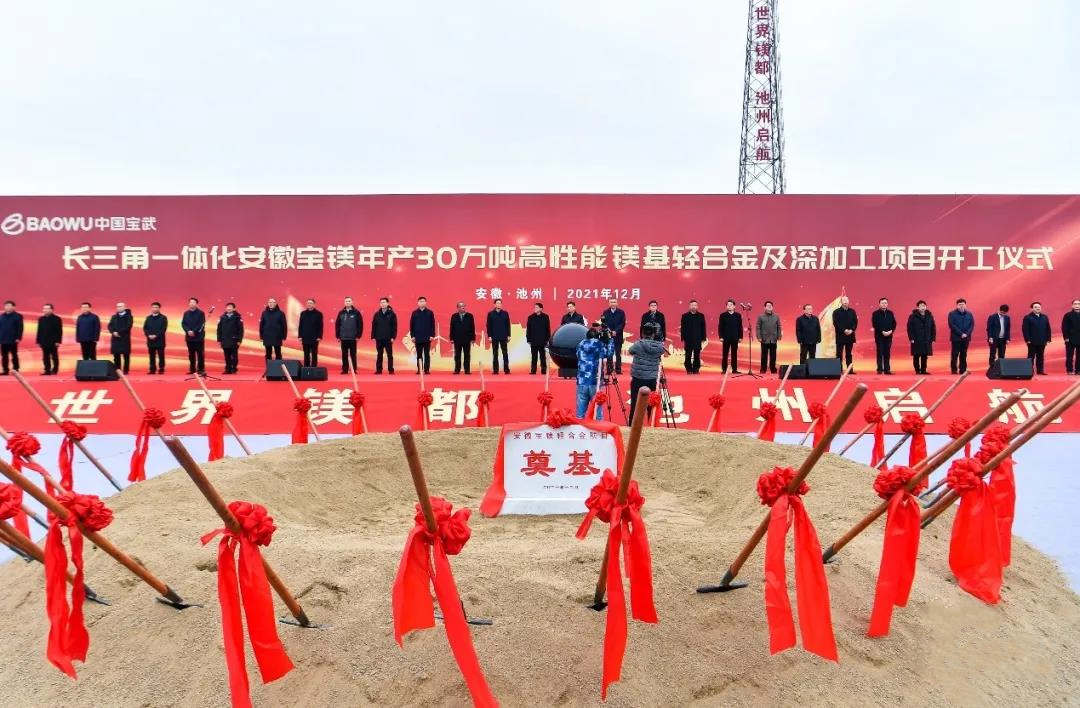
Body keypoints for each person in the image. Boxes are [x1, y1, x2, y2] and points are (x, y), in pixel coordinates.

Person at [575, 322, 614, 419]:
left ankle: (579, 425)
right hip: (595, 381)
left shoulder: (581, 344)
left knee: (580, 411)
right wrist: (610, 339)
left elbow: (577, 354)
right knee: (598, 410)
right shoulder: (599, 344)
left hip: (581, 380)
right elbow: (609, 353)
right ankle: (598, 426)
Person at [628, 322, 666, 424]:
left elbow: (630, 351)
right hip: (652, 379)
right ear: (654, 334)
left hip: (638, 378)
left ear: (643, 333)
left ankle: (631, 425)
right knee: (651, 403)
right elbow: (664, 352)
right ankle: (651, 424)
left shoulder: (638, 344)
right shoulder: (659, 347)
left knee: (635, 403)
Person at [1022, 301, 1052, 375]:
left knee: (1040, 356)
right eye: (1035, 307)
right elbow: (1025, 329)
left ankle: (1040, 370)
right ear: (1031, 309)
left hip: (1042, 340)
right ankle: (1029, 371)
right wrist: (1027, 339)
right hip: (1032, 341)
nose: (1037, 308)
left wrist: (1048, 339)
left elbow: (1048, 328)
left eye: (1039, 307)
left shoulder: (1044, 317)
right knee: (1031, 356)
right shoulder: (1027, 317)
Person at [907, 300, 936, 374]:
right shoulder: (912, 316)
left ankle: (923, 370)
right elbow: (909, 328)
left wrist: (933, 338)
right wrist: (911, 338)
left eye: (924, 306)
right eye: (921, 306)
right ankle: (917, 370)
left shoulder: (929, 316)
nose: (923, 307)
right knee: (916, 355)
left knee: (924, 355)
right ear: (917, 307)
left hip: (927, 339)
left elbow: (933, 327)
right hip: (916, 339)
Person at [335, 297, 363, 374]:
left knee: (353, 354)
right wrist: (338, 336)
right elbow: (337, 324)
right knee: (344, 354)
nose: (347, 302)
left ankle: (354, 369)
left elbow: (360, 325)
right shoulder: (341, 312)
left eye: (349, 301)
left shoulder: (356, 312)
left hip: (353, 338)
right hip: (343, 337)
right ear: (344, 303)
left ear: (352, 302)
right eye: (346, 301)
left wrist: (358, 336)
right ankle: (345, 369)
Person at [947, 298, 974, 375]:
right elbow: (952, 325)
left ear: (965, 305)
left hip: (966, 338)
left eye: (963, 304)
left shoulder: (969, 314)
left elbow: (972, 325)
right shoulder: (952, 314)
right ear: (957, 305)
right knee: (955, 354)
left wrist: (967, 334)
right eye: (960, 304)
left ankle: (963, 369)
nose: (961, 306)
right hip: (956, 338)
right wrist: (961, 334)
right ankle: (954, 370)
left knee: (964, 354)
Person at [409, 296, 436, 375]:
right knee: (419, 355)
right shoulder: (414, 313)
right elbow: (411, 325)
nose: (422, 302)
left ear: (426, 302)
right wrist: (412, 336)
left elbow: (432, 325)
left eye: (423, 301)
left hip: (427, 337)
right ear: (418, 303)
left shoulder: (430, 312)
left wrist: (432, 335)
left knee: (427, 354)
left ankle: (427, 369)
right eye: (420, 301)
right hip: (417, 337)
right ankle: (420, 369)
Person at [600, 298, 627, 374]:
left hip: (618, 335)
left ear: (617, 303)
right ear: (609, 303)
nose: (613, 303)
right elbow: (604, 323)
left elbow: (622, 323)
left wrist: (616, 331)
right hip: (609, 336)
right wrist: (610, 331)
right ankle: (610, 369)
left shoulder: (621, 312)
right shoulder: (605, 312)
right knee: (609, 353)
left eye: (614, 302)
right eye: (611, 302)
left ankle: (618, 369)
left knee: (618, 353)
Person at [871, 297, 897, 375]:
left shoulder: (890, 313)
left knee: (887, 353)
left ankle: (887, 369)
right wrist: (882, 331)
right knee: (880, 352)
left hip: (889, 336)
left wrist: (891, 331)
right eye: (882, 303)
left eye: (885, 303)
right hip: (879, 336)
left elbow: (894, 323)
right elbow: (875, 324)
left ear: (887, 304)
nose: (884, 304)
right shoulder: (875, 313)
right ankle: (879, 369)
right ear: (879, 304)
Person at [679, 300, 706, 374]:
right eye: (692, 305)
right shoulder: (685, 316)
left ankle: (696, 369)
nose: (693, 306)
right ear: (689, 306)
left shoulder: (701, 316)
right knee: (688, 354)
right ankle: (689, 369)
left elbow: (703, 327)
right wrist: (683, 337)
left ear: (697, 306)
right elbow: (683, 328)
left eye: (695, 305)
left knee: (697, 354)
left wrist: (703, 338)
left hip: (698, 338)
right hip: (688, 338)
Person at [216, 302, 244, 374]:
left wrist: (239, 340)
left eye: (230, 307)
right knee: (226, 355)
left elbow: (241, 330)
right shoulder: (222, 317)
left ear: (234, 309)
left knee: (234, 355)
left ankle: (234, 368)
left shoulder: (237, 317)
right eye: (227, 307)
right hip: (224, 339)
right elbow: (219, 329)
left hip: (234, 339)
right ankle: (227, 369)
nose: (228, 308)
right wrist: (219, 339)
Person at [371, 297, 397, 374]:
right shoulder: (377, 314)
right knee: (379, 354)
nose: (382, 304)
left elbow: (394, 326)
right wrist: (373, 336)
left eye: (384, 302)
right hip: (379, 337)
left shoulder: (392, 314)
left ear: (387, 303)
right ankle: (379, 370)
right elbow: (374, 325)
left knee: (389, 355)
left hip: (388, 338)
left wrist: (393, 337)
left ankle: (391, 370)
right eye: (381, 302)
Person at [449, 301, 476, 375]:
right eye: (460, 306)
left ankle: (467, 370)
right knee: (457, 355)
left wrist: (473, 338)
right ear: (457, 308)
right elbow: (452, 328)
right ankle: (457, 370)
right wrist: (451, 338)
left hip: (467, 338)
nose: (462, 307)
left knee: (467, 355)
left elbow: (472, 327)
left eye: (463, 306)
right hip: (457, 338)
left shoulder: (470, 316)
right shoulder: (454, 316)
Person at [831, 296, 858, 369]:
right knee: (839, 353)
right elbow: (836, 323)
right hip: (840, 336)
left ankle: (850, 369)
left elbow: (855, 322)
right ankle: (838, 369)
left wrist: (851, 330)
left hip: (850, 335)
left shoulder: (852, 311)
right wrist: (844, 330)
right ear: (841, 302)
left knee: (849, 353)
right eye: (844, 300)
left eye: (847, 300)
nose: (845, 301)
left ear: (849, 301)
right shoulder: (836, 312)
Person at [182, 297, 207, 375]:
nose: (192, 304)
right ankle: (192, 369)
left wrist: (194, 331)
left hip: (198, 337)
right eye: (190, 302)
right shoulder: (186, 313)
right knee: (191, 354)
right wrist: (188, 331)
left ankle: (201, 369)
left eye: (193, 302)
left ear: (196, 304)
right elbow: (183, 323)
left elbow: (201, 324)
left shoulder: (201, 313)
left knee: (200, 354)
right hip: (189, 337)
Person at [755, 301, 781, 374]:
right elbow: (758, 327)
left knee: (773, 356)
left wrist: (779, 336)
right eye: (767, 305)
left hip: (773, 339)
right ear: (764, 307)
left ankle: (773, 369)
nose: (769, 307)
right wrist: (759, 337)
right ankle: (763, 369)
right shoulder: (761, 316)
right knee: (764, 356)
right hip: (764, 339)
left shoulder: (776, 316)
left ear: (772, 307)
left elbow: (779, 327)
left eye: (770, 306)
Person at [486, 298, 511, 374]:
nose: (499, 304)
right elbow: (488, 326)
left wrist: (508, 335)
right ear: (494, 305)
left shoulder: (505, 313)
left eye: (500, 303)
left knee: (505, 353)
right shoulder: (490, 314)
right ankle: (495, 370)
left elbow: (508, 325)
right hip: (494, 336)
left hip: (503, 336)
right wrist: (489, 336)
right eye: (497, 303)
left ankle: (506, 369)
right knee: (495, 354)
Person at [107, 302, 133, 374]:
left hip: (124, 338)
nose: (119, 308)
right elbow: (110, 326)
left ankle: (126, 370)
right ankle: (118, 371)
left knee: (126, 355)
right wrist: (113, 332)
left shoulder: (129, 316)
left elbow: (128, 326)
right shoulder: (114, 316)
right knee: (116, 355)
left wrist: (119, 332)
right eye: (117, 306)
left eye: (120, 306)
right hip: (115, 338)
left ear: (124, 307)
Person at [36, 303, 62, 375]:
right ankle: (47, 370)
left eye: (47, 308)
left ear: (51, 310)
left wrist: (58, 341)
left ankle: (55, 370)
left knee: (54, 356)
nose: (45, 310)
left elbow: (59, 331)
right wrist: (38, 341)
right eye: (44, 308)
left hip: (53, 341)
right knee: (45, 357)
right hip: (43, 340)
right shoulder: (41, 319)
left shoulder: (57, 319)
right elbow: (39, 330)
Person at [717, 299, 743, 373]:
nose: (729, 306)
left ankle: (734, 369)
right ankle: (724, 369)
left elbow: (740, 327)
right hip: (726, 338)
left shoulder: (738, 315)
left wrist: (740, 337)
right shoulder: (723, 315)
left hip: (735, 337)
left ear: (734, 306)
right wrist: (720, 336)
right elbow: (720, 327)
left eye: (731, 305)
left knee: (734, 354)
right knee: (725, 354)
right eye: (728, 305)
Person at [526, 303, 551, 375]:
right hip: (533, 340)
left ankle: (543, 370)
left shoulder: (545, 317)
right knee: (534, 356)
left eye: (537, 307)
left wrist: (547, 339)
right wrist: (528, 339)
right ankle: (533, 370)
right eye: (535, 307)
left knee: (542, 356)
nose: (535, 308)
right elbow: (528, 329)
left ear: (541, 309)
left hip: (543, 340)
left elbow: (548, 329)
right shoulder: (530, 317)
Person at [298, 298, 324, 368]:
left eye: (311, 303)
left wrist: (319, 336)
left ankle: (313, 368)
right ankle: (306, 368)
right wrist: (300, 336)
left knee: (314, 353)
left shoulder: (318, 314)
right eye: (308, 303)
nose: (309, 304)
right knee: (306, 353)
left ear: (314, 304)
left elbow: (320, 326)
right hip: (305, 336)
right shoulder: (303, 313)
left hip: (314, 337)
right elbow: (300, 325)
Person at [143, 301, 168, 374]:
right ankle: (152, 369)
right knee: (151, 356)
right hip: (150, 340)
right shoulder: (148, 318)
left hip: (160, 340)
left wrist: (156, 335)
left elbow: (163, 329)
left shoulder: (163, 318)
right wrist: (148, 335)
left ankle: (161, 368)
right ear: (151, 308)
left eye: (156, 307)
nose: (154, 309)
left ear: (159, 308)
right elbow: (145, 328)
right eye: (153, 307)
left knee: (161, 355)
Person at [0, 301, 24, 375]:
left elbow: (20, 328)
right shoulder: (1, 316)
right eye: (6, 306)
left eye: (9, 306)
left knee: (14, 355)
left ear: (13, 307)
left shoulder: (18, 316)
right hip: (3, 339)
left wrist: (18, 337)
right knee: (4, 356)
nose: (7, 307)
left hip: (13, 339)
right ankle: (5, 370)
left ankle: (16, 369)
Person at [987, 304, 1011, 368]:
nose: (1003, 314)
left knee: (1002, 354)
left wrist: (1008, 339)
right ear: (999, 310)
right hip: (994, 339)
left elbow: (1008, 329)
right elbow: (989, 328)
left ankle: (1001, 368)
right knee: (992, 354)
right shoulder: (992, 317)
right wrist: (990, 337)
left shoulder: (1007, 318)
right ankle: (992, 368)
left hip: (1003, 339)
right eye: (1002, 312)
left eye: (1004, 313)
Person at [1063, 299, 1080, 375]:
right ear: (1072, 306)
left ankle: (1078, 370)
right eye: (1075, 304)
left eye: (1078, 304)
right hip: (1070, 338)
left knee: (1079, 356)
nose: (1077, 305)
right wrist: (1066, 337)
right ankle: (1069, 370)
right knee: (1069, 356)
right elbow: (1064, 327)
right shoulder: (1068, 315)